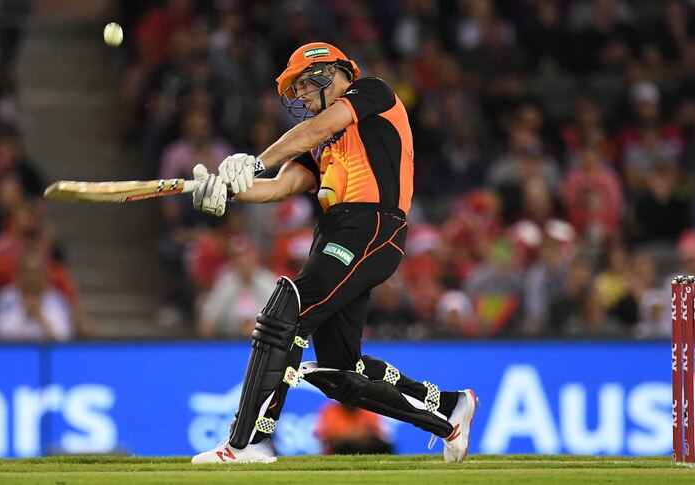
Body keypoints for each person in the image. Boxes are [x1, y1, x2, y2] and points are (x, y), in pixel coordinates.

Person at [189, 42, 478, 464]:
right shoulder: (321, 142)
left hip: (372, 225)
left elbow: (311, 133)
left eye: (305, 84)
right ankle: (449, 410)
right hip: (337, 232)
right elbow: (279, 186)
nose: (301, 96)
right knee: (340, 372)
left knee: (285, 311)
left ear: (330, 72)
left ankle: (248, 442)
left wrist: (253, 161)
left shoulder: (371, 92)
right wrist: (225, 187)